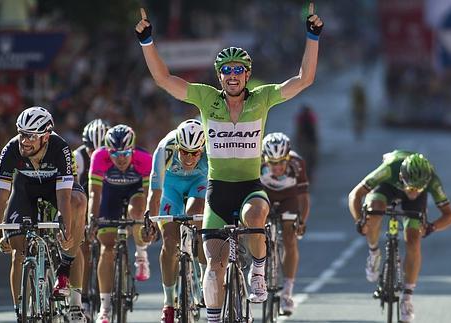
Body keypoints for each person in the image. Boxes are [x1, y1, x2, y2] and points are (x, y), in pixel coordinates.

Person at [135, 3, 322, 322]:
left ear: (247, 75)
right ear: (219, 76)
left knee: (254, 215)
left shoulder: (262, 98)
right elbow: (164, 79)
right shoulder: (207, 98)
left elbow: (303, 79)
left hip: (250, 187)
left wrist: (312, 36)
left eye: (238, 70)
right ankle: (212, 317)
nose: (232, 75)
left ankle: (259, 271)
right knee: (213, 264)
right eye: (227, 70)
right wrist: (147, 42)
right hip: (217, 191)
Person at [0, 107, 88, 322]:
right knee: (18, 250)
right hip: (25, 190)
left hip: (55, 189)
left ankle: (73, 296)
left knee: (78, 203)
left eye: (31, 136)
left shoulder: (60, 148)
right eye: (21, 134)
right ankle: (20, 312)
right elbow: (1, 194)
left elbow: (64, 197)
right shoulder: (11, 149)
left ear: (46, 136)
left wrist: (64, 226)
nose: (24, 141)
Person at [348, 150, 451, 322]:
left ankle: (407, 298)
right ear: (401, 175)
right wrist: (360, 221)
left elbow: (449, 215)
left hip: (413, 204)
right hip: (387, 187)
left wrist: (431, 227)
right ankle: (374, 253)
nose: (413, 191)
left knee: (413, 241)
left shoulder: (431, 179)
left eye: (419, 188)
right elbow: (355, 194)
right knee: (374, 214)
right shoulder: (390, 168)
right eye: (411, 187)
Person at [88, 124, 153, 323]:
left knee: (137, 211)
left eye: (125, 153)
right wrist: (92, 219)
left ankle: (141, 256)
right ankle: (105, 308)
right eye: (115, 154)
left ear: (132, 149)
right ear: (108, 151)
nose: (121, 158)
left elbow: (150, 196)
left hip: (136, 192)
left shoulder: (144, 159)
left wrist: (148, 222)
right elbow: (94, 193)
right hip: (110, 196)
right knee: (106, 247)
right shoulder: (99, 157)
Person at [147, 119, 208, 323]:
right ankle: (168, 302)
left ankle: (202, 275)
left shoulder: (211, 150)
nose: (189, 158)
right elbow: (155, 193)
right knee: (170, 242)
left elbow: (219, 185)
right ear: (178, 146)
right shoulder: (165, 149)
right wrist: (152, 222)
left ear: (202, 149)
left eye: (195, 153)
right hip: (170, 187)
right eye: (184, 152)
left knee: (196, 213)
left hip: (197, 184)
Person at [259, 132, 310, 315]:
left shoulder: (298, 164)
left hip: (289, 198)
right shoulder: (256, 162)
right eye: (272, 163)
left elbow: (303, 197)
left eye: (281, 162)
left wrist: (302, 220)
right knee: (256, 228)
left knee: (289, 237)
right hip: (265, 196)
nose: (277, 167)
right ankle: (258, 268)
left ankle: (287, 292)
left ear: (288, 157)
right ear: (265, 158)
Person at [73, 118, 109, 315]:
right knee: (84, 248)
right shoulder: (77, 157)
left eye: (100, 149)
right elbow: (75, 191)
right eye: (90, 150)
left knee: (107, 244)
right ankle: (85, 297)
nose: (95, 154)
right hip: (85, 200)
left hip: (107, 198)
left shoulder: (114, 154)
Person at [294, 105, 318, 181]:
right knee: (310, 159)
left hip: (307, 141)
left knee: (307, 158)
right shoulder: (309, 117)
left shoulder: (303, 118)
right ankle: (308, 175)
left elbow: (298, 130)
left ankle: (307, 175)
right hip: (308, 140)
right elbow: (315, 129)